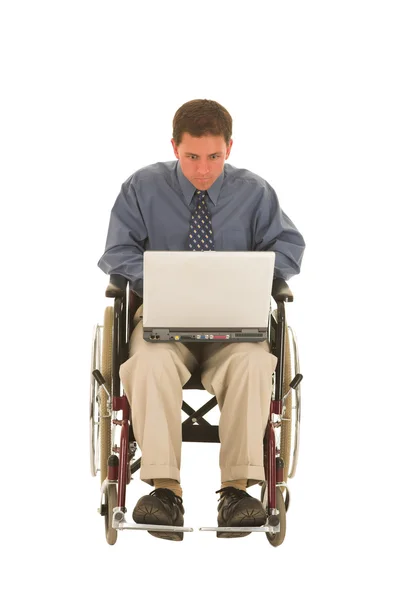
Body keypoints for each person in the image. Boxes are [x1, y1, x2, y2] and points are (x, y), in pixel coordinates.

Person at [98, 99, 305, 541]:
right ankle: (165, 490)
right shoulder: (142, 187)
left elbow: (288, 249)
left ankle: (237, 491)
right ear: (174, 146)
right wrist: (160, 278)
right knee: (150, 363)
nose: (203, 169)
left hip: (235, 327)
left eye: (214, 157)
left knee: (252, 364)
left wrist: (249, 277)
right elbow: (117, 252)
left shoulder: (255, 193)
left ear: (229, 147)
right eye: (192, 156)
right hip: (162, 322)